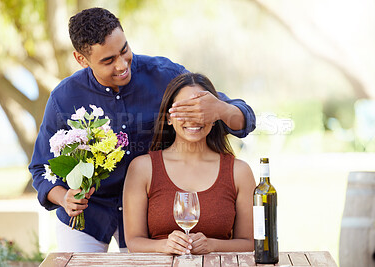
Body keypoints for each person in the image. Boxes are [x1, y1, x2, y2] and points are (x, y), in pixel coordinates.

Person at [28, 7, 256, 252]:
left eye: (124, 50)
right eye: (108, 60)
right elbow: (41, 167)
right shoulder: (65, 97)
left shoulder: (165, 76)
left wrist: (220, 110)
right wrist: (63, 197)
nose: (122, 64)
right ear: (81, 59)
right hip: (89, 217)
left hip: (148, 219)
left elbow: (242, 115)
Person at [123, 72, 255, 255]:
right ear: (168, 117)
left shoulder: (239, 172)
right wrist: (163, 246)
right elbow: (134, 241)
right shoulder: (142, 169)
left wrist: (213, 245)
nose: (193, 118)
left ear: (215, 116)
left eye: (200, 110)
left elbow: (250, 244)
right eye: (184, 109)